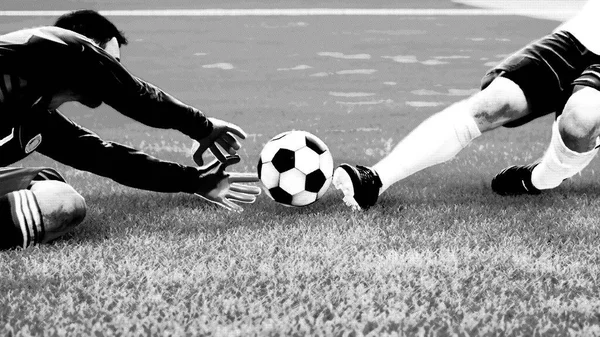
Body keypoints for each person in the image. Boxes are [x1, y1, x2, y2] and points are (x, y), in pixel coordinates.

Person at [0, 10, 261, 250]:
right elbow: (137, 97)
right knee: (61, 204)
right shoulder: (57, 45)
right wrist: (202, 126)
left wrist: (194, 180)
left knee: (48, 183)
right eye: (110, 61)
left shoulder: (36, 115)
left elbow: (107, 158)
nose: (118, 73)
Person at [333, 0, 600, 210]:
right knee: (493, 103)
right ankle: (375, 181)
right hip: (579, 36)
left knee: (578, 122)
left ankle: (540, 178)